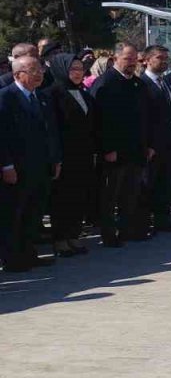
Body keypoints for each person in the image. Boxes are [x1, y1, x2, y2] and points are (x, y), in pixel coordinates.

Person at [0, 56, 61, 272]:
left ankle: (29, 254)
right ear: (18, 74)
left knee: (33, 214)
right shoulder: (6, 98)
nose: (39, 73)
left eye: (40, 69)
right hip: (17, 168)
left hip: (41, 166)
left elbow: (51, 132)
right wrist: (6, 166)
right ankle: (12, 258)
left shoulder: (42, 97)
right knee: (14, 214)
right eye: (33, 70)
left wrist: (55, 159)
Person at [90, 42, 152, 247]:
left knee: (130, 193)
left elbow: (146, 117)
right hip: (114, 153)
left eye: (134, 59)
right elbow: (100, 120)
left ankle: (128, 230)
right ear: (115, 58)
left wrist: (148, 144)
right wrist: (107, 149)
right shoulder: (105, 83)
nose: (132, 63)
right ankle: (109, 234)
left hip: (136, 150)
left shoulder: (138, 84)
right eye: (127, 58)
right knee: (111, 196)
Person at [43, 54, 97, 257]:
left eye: (80, 68)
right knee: (62, 199)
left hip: (83, 155)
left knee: (79, 196)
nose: (77, 72)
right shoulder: (53, 94)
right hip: (64, 157)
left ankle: (73, 235)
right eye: (73, 68)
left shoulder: (83, 93)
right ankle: (60, 239)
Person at [141, 45, 171, 232]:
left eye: (166, 58)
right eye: (159, 58)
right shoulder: (142, 84)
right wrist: (147, 144)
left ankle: (163, 219)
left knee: (166, 183)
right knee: (149, 183)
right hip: (153, 145)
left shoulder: (166, 83)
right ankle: (145, 221)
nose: (164, 61)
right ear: (148, 60)